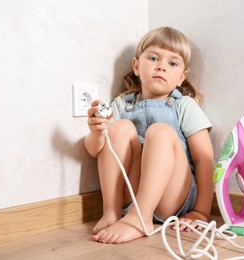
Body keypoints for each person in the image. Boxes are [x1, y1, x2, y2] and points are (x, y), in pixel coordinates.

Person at [85, 26, 214, 244]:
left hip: (171, 199)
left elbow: (205, 160)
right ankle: (111, 212)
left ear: (182, 77)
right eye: (154, 58)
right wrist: (97, 132)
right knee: (118, 128)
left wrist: (201, 212)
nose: (162, 67)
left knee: (160, 131)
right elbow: (96, 150)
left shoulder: (184, 105)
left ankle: (139, 218)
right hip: (131, 196)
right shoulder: (121, 105)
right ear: (136, 66)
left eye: (172, 63)